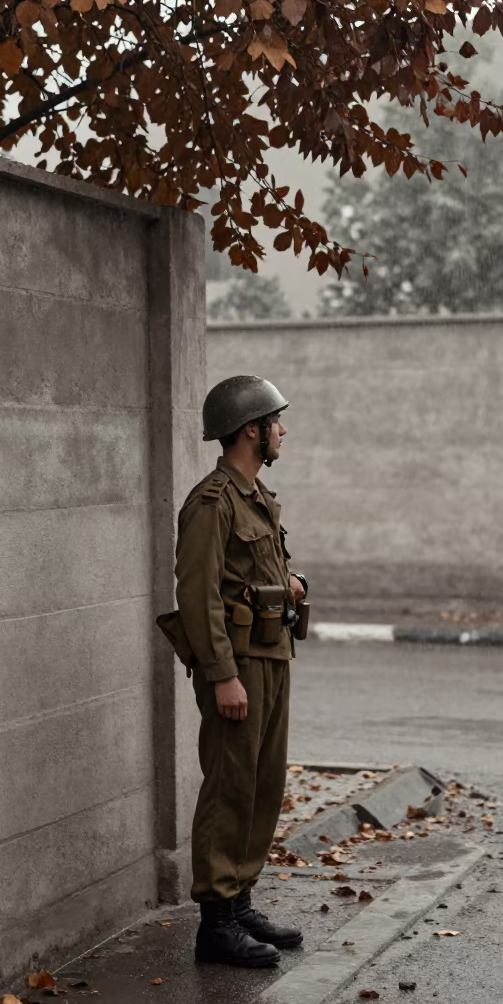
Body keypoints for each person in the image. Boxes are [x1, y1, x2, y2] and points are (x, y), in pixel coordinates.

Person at [159, 374, 310, 968]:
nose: (283, 431)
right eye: (276, 422)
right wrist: (222, 675)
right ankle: (216, 923)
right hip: (238, 666)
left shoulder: (258, 497)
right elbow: (197, 595)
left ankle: (240, 899)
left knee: (262, 784)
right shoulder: (211, 502)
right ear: (252, 431)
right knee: (228, 787)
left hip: (272, 659)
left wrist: (289, 581)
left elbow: (252, 570)